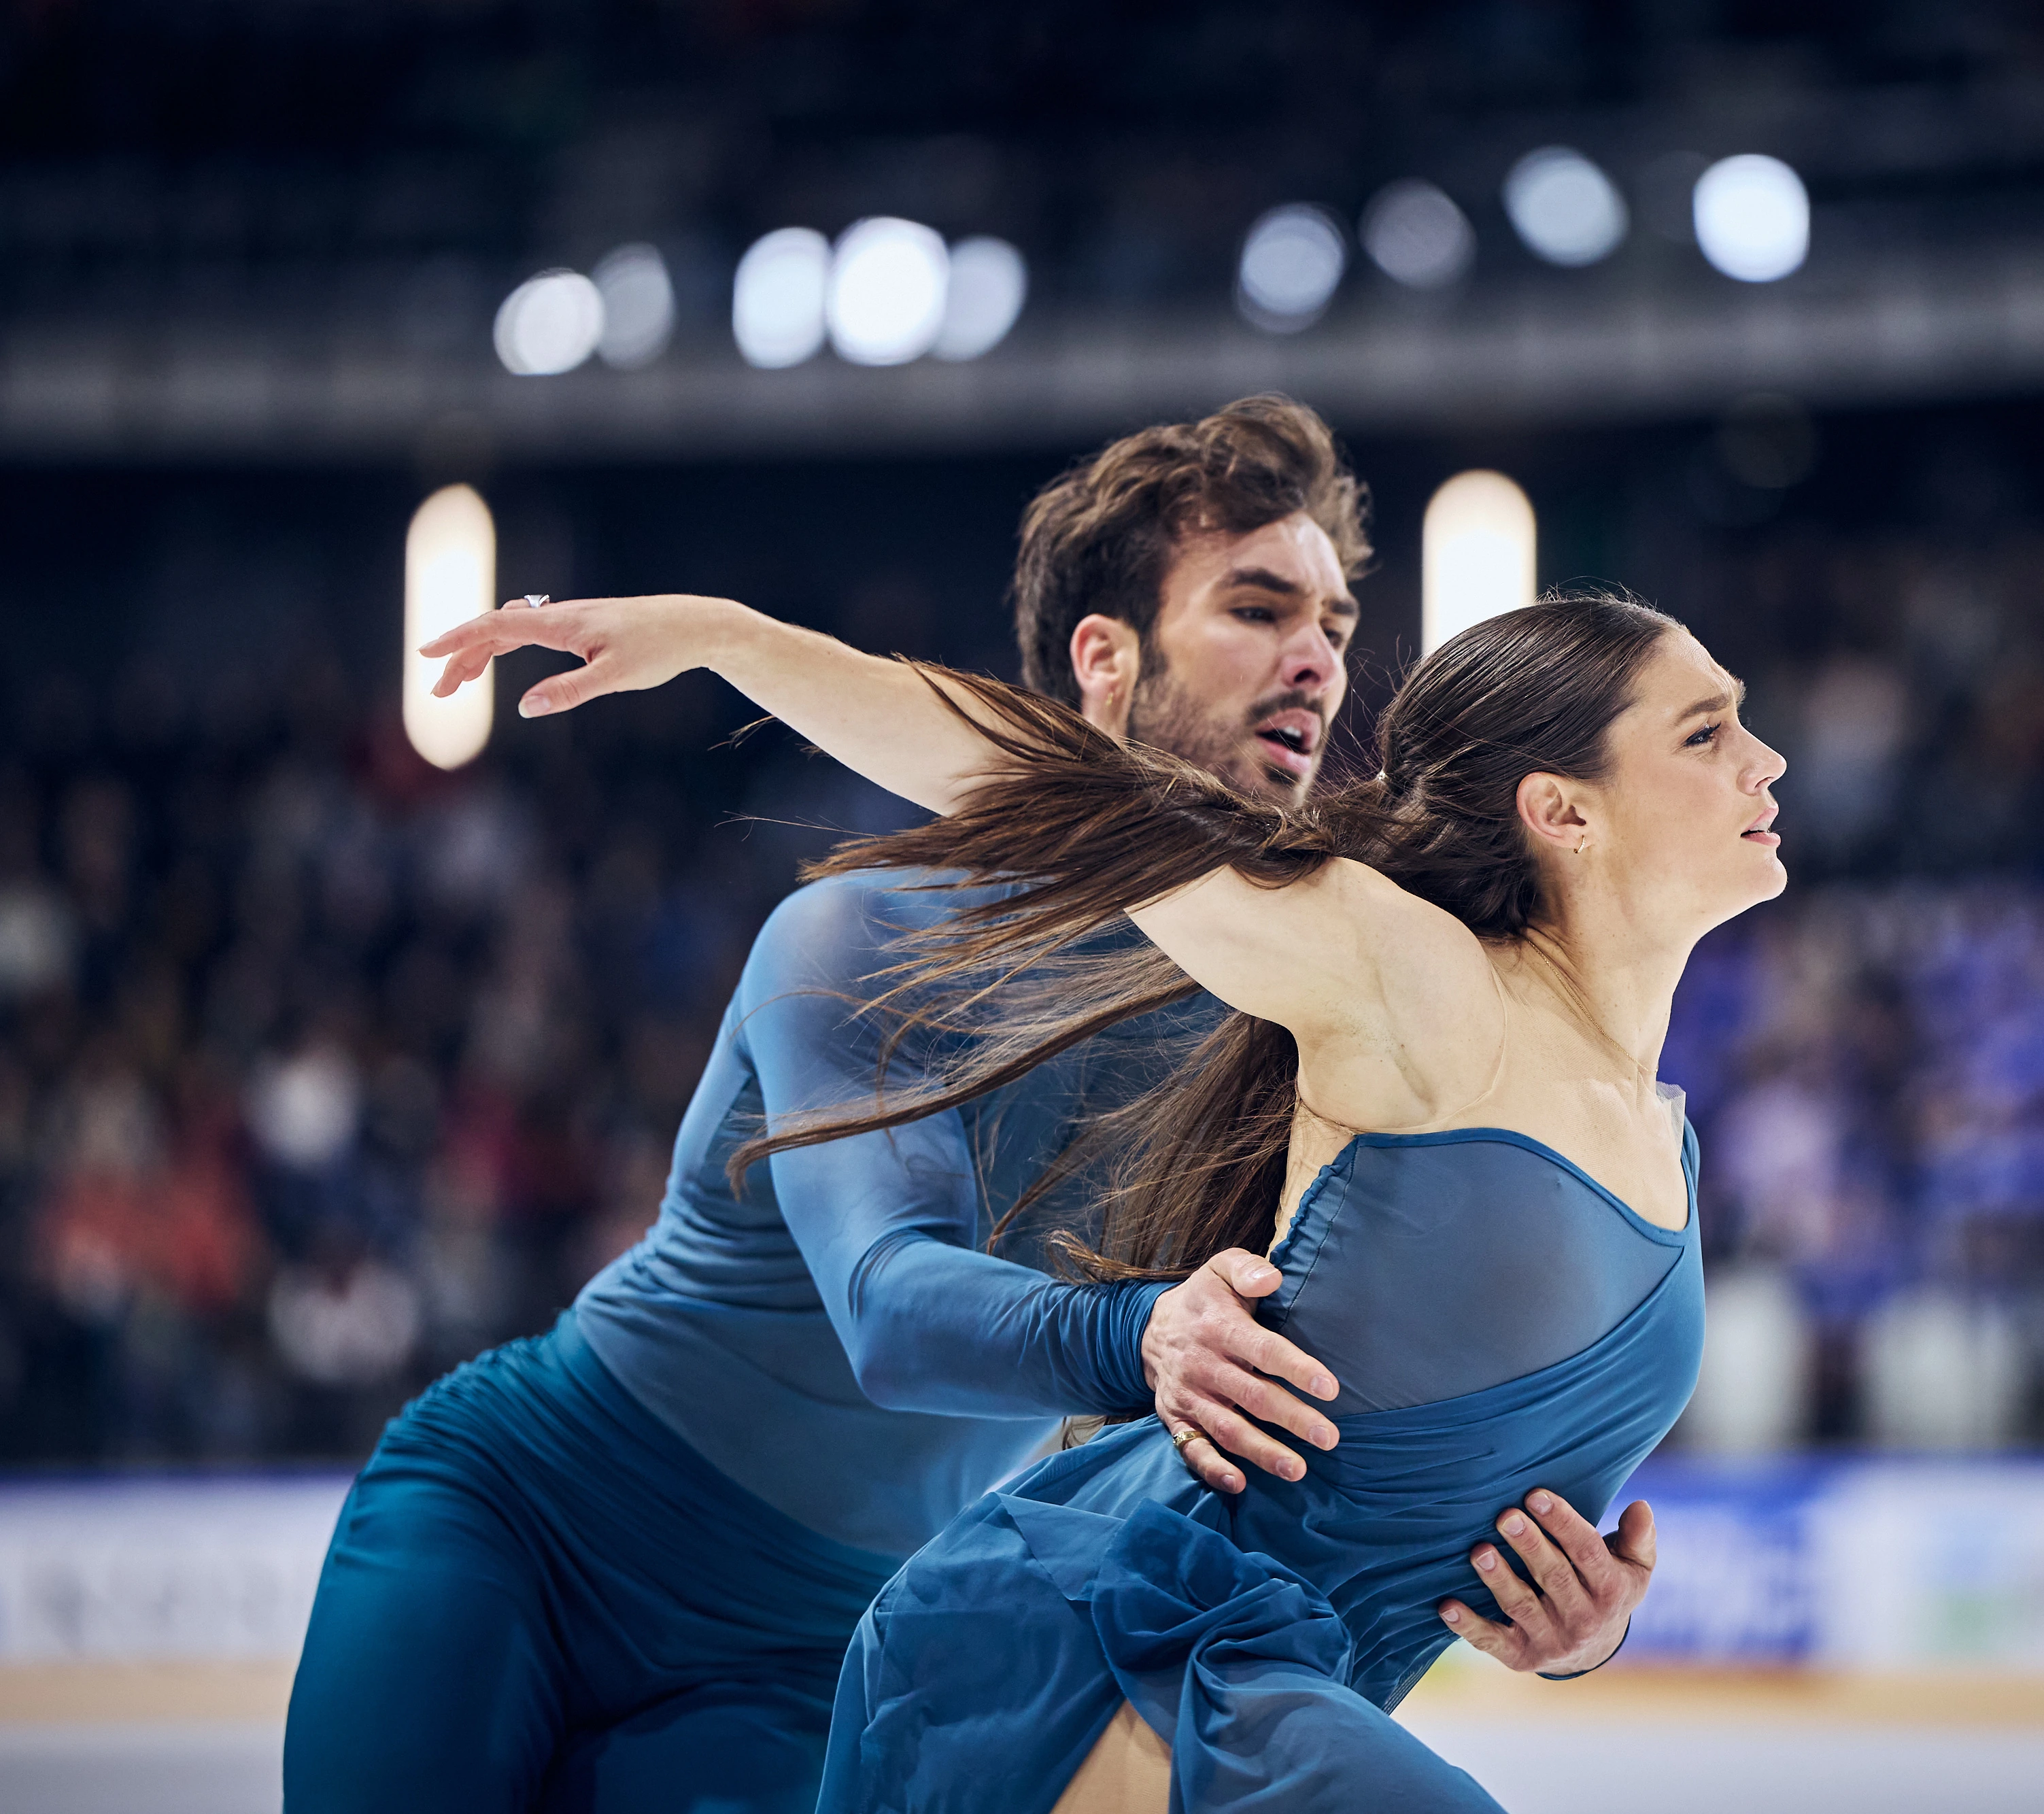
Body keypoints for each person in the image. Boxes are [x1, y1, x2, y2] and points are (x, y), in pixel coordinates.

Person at [285, 399, 1650, 1814]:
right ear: (1102, 661)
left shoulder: (1307, 1028)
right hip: (531, 1518)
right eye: (1257, 604)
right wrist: (1148, 1331)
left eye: (1333, 619)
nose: (1317, 653)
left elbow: (1370, 1395)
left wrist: (1549, 1607)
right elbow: (887, 1302)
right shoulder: (863, 931)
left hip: (821, 1648)